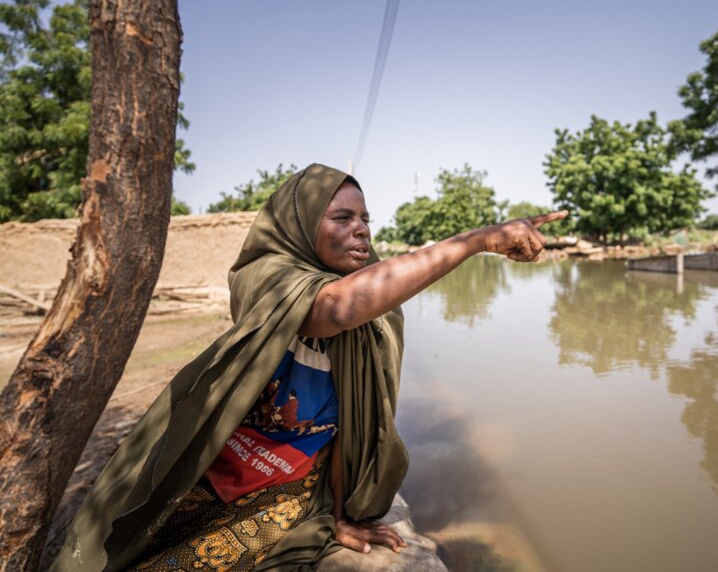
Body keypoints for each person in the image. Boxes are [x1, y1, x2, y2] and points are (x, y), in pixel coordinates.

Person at [51, 163, 566, 571]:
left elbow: (353, 418)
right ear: (300, 224)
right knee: (115, 545)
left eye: (365, 219)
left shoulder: (379, 315)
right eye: (342, 218)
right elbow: (332, 310)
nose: (361, 230)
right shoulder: (263, 276)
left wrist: (339, 515)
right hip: (208, 464)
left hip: (285, 484)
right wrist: (476, 241)